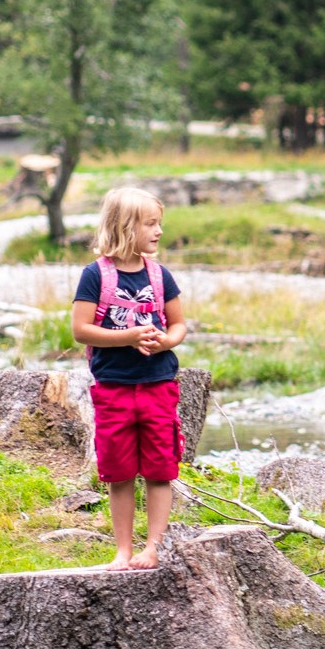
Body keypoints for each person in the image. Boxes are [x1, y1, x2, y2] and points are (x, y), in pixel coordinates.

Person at [72, 187, 189, 570]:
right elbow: (81, 330)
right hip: (113, 390)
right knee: (118, 473)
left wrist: (164, 343)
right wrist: (128, 337)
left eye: (160, 224)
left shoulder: (159, 275)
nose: (158, 232)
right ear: (125, 227)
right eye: (150, 224)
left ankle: (153, 547)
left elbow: (178, 325)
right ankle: (122, 550)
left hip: (159, 387)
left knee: (160, 469)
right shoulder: (94, 276)